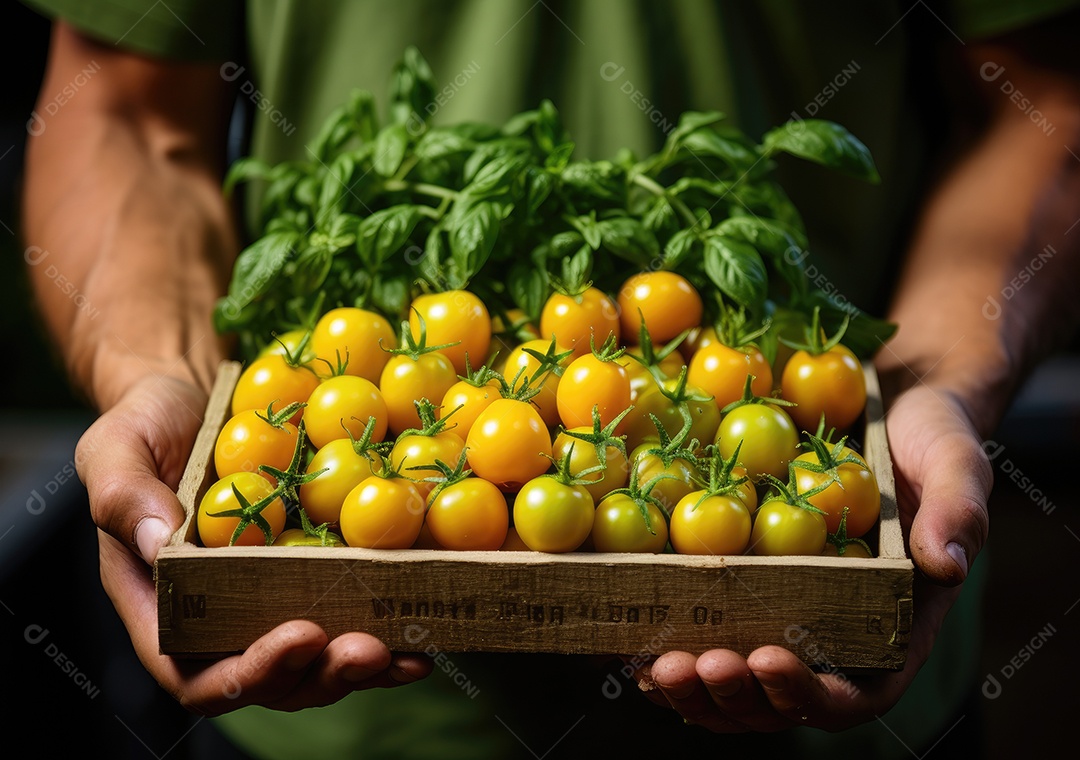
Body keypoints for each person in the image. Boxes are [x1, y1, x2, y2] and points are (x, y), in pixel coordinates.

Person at [20, 0, 1080, 756]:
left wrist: (939, 379)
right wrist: (155, 372)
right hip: (334, 717)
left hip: (836, 694)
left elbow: (1045, 104)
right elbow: (120, 106)